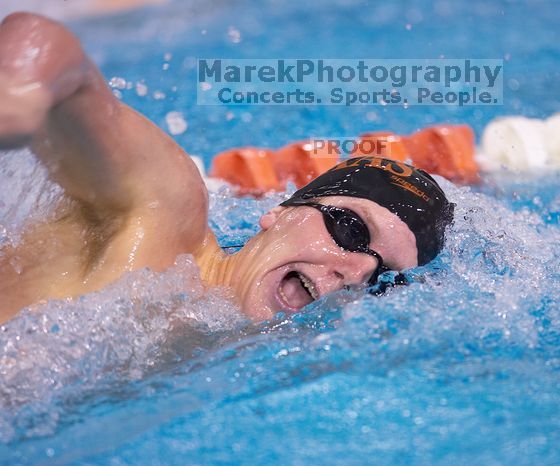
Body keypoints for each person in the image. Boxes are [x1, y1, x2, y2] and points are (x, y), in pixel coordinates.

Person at [0, 12, 454, 324]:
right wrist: (17, 96)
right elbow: (43, 38)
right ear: (280, 211)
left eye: (381, 278)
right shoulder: (165, 214)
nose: (355, 273)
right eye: (352, 229)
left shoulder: (223, 351)